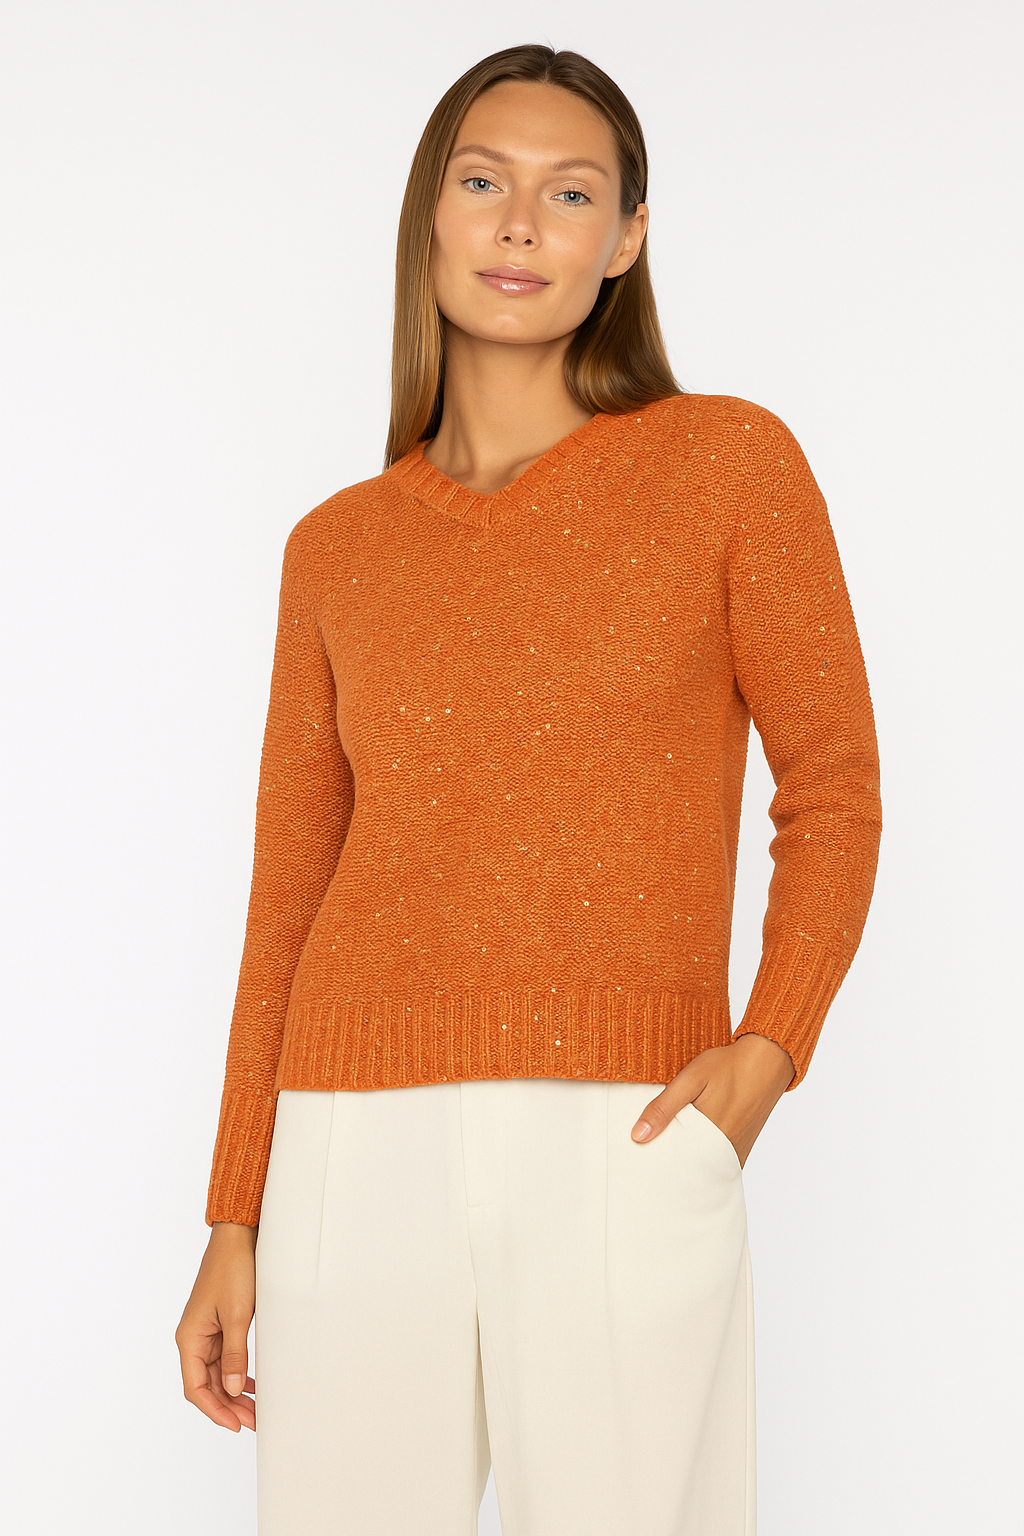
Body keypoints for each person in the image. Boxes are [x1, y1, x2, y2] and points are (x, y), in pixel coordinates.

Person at [176, 42, 881, 1536]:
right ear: (428, 216)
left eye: (570, 194)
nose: (518, 224)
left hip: (626, 1130)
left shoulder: (727, 468)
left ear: (625, 239)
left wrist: (770, 1050)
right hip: (348, 1143)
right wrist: (235, 1208)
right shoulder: (338, 548)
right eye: (484, 181)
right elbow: (289, 890)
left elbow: (834, 786)